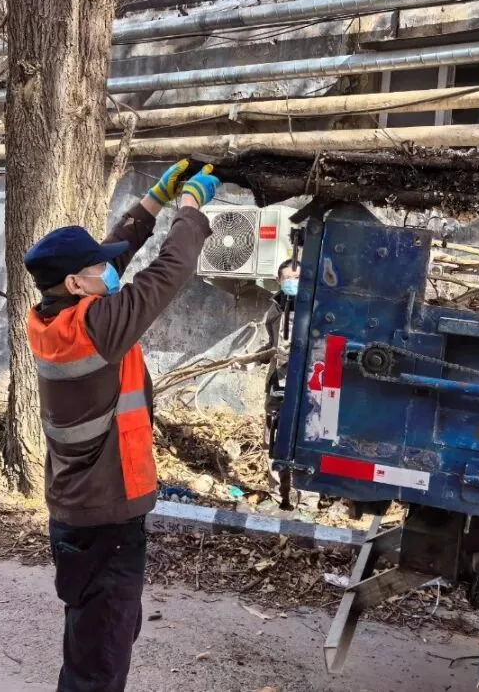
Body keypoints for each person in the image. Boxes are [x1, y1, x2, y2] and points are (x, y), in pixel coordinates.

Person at [23, 159, 219, 692]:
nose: (110, 272)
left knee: (97, 637)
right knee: (100, 662)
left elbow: (113, 254)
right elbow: (169, 270)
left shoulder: (51, 318)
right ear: (75, 283)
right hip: (104, 518)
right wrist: (190, 208)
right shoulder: (97, 327)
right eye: (98, 269)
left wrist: (152, 201)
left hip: (81, 510)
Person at [263, 259, 301, 509]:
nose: (292, 283)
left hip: (305, 385)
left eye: (297, 278)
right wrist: (249, 360)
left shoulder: (316, 308)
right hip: (278, 383)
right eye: (288, 278)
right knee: (273, 438)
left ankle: (305, 500)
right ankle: (279, 496)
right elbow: (271, 345)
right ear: (278, 280)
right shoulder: (275, 308)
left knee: (303, 439)